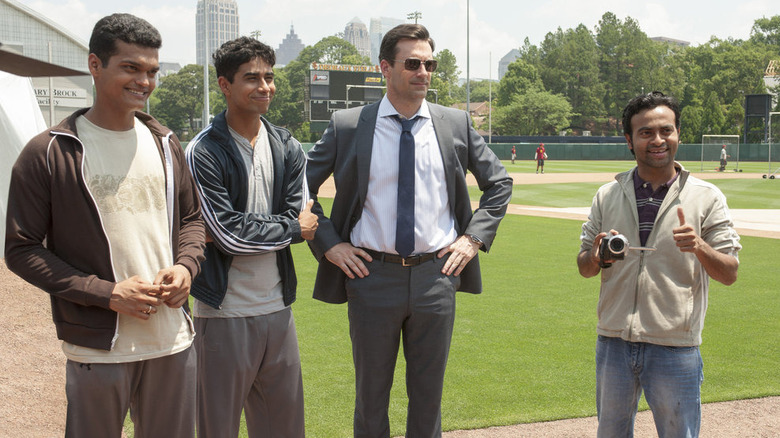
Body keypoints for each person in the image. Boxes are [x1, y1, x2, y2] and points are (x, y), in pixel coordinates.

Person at [306, 23, 513, 438]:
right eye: (413, 63)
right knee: (370, 399)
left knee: (428, 400)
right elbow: (298, 187)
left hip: (436, 277)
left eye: (429, 64)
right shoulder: (349, 124)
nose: (424, 72)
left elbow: (499, 183)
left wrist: (472, 239)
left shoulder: (454, 124)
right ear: (385, 67)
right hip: (369, 276)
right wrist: (330, 245)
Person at [4, 13, 206, 437]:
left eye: (151, 71)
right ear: (95, 65)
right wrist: (108, 293)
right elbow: (21, 249)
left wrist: (186, 267)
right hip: (98, 345)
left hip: (172, 340)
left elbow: (191, 220)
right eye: (130, 68)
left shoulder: (166, 144)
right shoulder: (49, 152)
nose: (144, 82)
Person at [576, 91, 741, 437]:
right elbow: (585, 267)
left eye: (666, 130)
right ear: (629, 140)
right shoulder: (607, 195)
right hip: (614, 341)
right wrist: (597, 255)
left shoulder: (706, 197)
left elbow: (729, 272)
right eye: (646, 133)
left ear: (678, 134)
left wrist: (698, 247)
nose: (658, 140)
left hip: (675, 345)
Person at [185, 36, 316, 438]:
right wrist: (292, 229)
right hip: (224, 314)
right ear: (224, 85)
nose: (265, 87)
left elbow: (301, 209)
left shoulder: (286, 144)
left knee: (284, 429)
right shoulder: (203, 151)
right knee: (217, 429)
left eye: (269, 77)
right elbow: (229, 235)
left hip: (278, 309)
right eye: (251, 78)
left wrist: (283, 223)